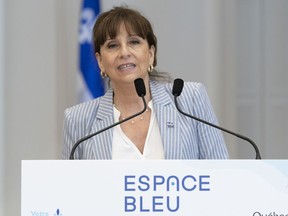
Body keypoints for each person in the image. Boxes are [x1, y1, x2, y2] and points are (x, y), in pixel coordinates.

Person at [62, 6, 229, 160]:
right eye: (112, 45)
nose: (124, 52)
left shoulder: (189, 99)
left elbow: (221, 173)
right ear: (100, 61)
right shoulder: (78, 119)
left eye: (134, 42)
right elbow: (70, 187)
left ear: (151, 53)